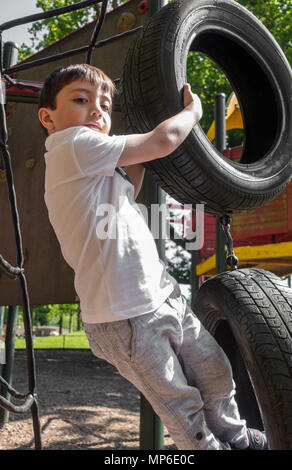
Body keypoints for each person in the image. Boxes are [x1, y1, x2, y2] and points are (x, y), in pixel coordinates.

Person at [38, 63, 268, 451]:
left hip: (162, 298)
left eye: (105, 105)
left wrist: (144, 149)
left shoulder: (95, 164)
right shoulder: (72, 146)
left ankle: (238, 438)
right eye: (81, 100)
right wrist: (190, 113)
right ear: (48, 117)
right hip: (123, 317)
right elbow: (161, 142)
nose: (97, 111)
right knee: (181, 404)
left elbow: (134, 180)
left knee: (215, 372)